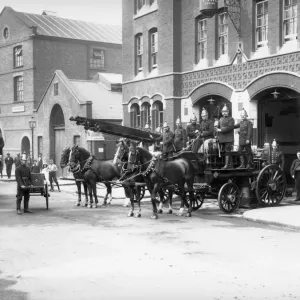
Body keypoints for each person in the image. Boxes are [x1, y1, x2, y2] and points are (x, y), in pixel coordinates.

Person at [215, 104, 235, 169]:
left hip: (228, 138)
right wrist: (216, 135)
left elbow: (229, 128)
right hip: (222, 139)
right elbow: (217, 128)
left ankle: (227, 165)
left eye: (226, 111)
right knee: (225, 152)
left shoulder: (231, 119)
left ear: (228, 112)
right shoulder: (220, 119)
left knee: (227, 151)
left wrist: (220, 130)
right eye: (223, 111)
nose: (224, 113)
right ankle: (230, 165)